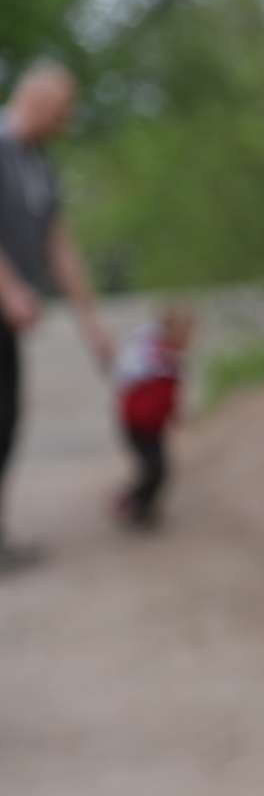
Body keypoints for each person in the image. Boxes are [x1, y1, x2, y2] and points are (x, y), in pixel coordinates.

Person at [0, 61, 115, 568]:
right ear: (41, 101)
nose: (67, 122)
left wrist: (92, 322)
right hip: (6, 306)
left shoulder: (41, 165)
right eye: (64, 111)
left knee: (6, 418)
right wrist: (9, 292)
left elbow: (59, 245)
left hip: (6, 322)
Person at [112, 304, 194, 529]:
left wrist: (174, 415)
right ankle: (135, 504)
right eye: (185, 334)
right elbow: (128, 381)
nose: (189, 340)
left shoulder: (169, 360)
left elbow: (169, 395)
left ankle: (139, 505)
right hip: (138, 425)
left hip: (153, 425)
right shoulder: (150, 356)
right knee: (155, 469)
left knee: (157, 469)